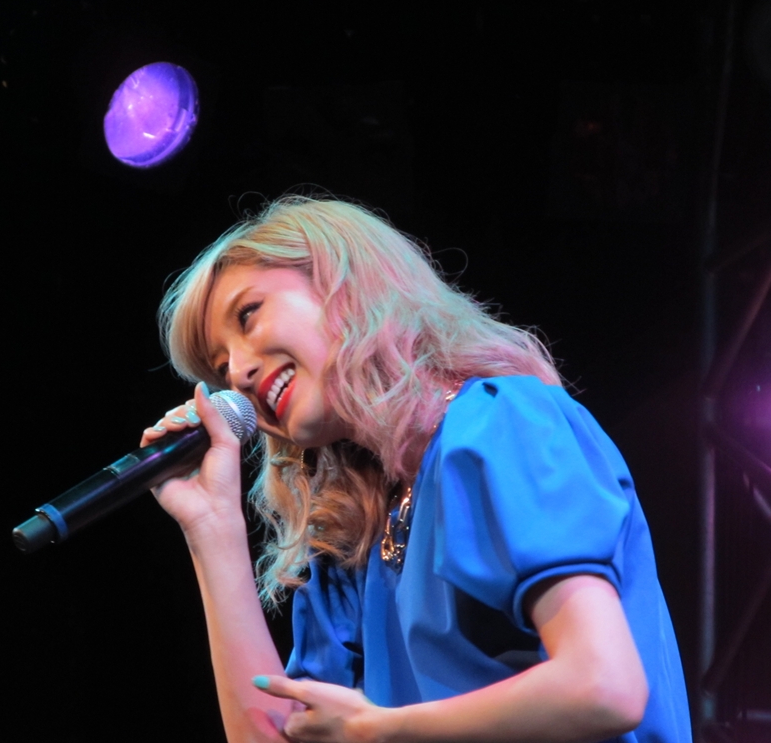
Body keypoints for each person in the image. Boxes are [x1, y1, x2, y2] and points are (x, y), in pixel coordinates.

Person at [140, 196, 690, 743]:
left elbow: (604, 687)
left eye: (248, 314)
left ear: (341, 281)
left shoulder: (498, 423)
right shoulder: (351, 540)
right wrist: (212, 527)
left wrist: (384, 730)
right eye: (221, 368)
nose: (238, 372)